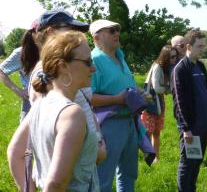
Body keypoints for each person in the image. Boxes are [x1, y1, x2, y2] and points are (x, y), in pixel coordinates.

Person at [8, 31, 99, 191]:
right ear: (63, 66)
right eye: (87, 62)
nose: (93, 68)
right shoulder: (71, 114)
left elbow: (15, 153)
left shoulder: (39, 104)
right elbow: (56, 184)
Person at [90, 19, 142, 192]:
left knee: (129, 174)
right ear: (96, 37)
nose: (116, 33)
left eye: (117, 30)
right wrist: (116, 99)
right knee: (104, 177)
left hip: (129, 122)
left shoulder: (120, 56)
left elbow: (125, 86)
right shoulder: (93, 60)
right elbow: (86, 97)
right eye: (111, 31)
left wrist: (139, 93)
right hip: (108, 124)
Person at [172, 29, 207, 192]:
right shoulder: (180, 69)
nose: (203, 49)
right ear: (189, 46)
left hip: (204, 124)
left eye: (204, 46)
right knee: (187, 163)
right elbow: (179, 102)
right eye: (199, 46)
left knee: (197, 161)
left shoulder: (201, 66)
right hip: (191, 128)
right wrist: (185, 128)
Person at [141, 45, 178, 162]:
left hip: (159, 102)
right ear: (165, 57)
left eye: (175, 56)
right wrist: (170, 90)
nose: (174, 59)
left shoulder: (167, 68)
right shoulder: (157, 67)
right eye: (172, 57)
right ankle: (147, 156)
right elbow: (156, 88)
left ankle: (156, 157)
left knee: (157, 132)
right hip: (150, 102)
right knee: (148, 131)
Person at [0, 20, 39, 122]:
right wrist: (19, 91)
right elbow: (1, 71)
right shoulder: (21, 53)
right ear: (34, 34)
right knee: (26, 134)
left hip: (52, 97)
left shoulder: (52, 51)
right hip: (30, 98)